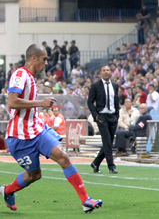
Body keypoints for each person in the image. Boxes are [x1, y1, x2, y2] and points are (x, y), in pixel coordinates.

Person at [0, 44, 102, 213]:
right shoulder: (19, 74)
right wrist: (40, 102)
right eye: (44, 58)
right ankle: (8, 190)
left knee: (63, 157)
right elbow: (12, 102)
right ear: (34, 58)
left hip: (37, 130)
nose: (46, 63)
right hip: (19, 137)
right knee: (35, 175)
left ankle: (86, 200)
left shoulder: (31, 78)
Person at [87, 65, 119, 174]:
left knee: (108, 143)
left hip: (113, 116)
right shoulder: (96, 85)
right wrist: (96, 115)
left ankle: (96, 163)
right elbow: (90, 102)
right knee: (107, 142)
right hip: (102, 116)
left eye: (108, 70)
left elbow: (116, 101)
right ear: (101, 73)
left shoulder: (115, 85)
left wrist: (117, 115)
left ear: (111, 72)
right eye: (104, 70)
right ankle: (111, 166)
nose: (106, 72)